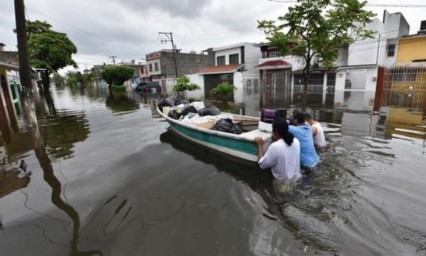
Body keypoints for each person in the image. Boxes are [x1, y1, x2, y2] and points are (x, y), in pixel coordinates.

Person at [255, 118, 301, 195]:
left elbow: (262, 165)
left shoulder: (275, 147)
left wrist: (260, 145)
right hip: (297, 180)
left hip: (282, 186)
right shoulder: (296, 141)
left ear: (275, 132)